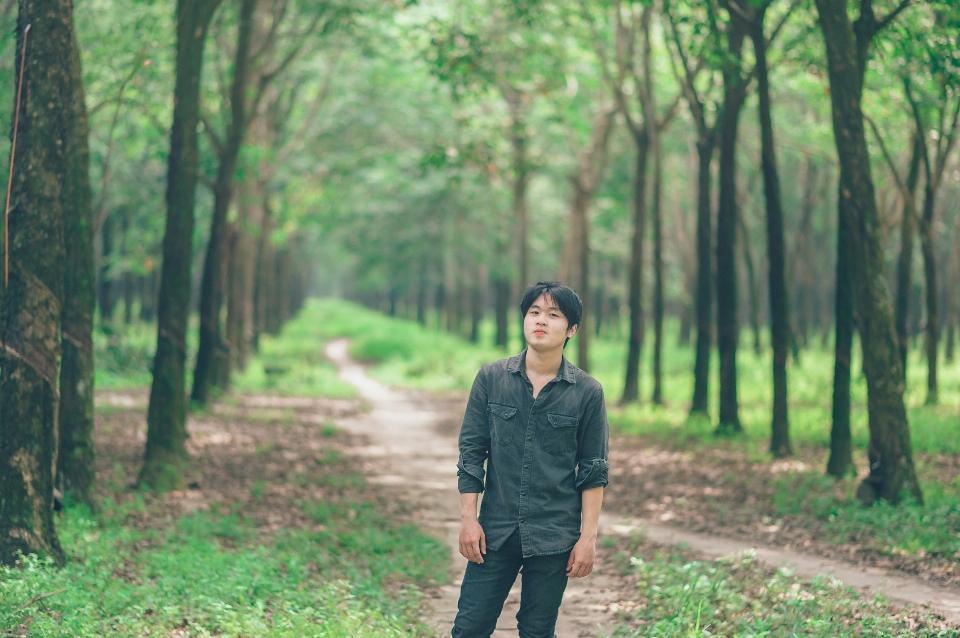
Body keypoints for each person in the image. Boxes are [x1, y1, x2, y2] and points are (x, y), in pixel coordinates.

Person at [452, 281, 610, 638]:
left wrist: (588, 538)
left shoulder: (587, 392)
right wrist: (468, 521)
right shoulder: (491, 378)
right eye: (534, 312)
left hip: (554, 535)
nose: (541, 321)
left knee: (537, 631)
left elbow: (594, 471)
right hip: (494, 533)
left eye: (553, 315)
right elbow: (472, 454)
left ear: (571, 329)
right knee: (470, 627)